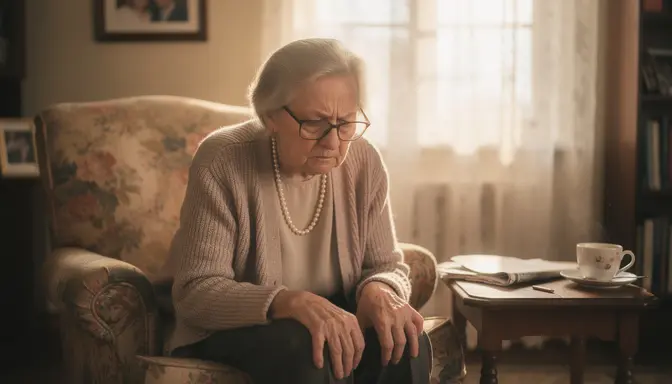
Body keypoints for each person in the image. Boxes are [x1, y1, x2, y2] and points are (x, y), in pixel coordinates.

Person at [162, 38, 432, 384]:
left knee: (407, 341)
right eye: (315, 123)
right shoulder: (223, 160)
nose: (333, 142)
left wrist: (380, 290)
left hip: (332, 317)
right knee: (309, 347)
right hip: (239, 328)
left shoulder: (364, 161)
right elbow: (195, 293)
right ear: (271, 115)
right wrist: (287, 302)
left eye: (346, 122)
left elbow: (385, 266)